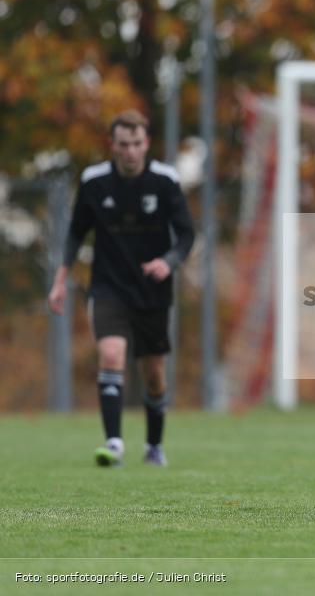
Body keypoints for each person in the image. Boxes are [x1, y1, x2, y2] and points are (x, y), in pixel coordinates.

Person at [47, 110, 195, 467]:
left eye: (137, 144)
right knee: (111, 355)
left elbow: (187, 234)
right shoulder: (95, 182)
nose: (130, 151)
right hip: (108, 287)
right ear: (113, 145)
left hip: (152, 291)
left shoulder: (164, 180)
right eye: (124, 144)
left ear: (146, 144)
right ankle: (113, 443)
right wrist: (60, 281)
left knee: (154, 376)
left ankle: (154, 446)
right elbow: (75, 233)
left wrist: (168, 261)